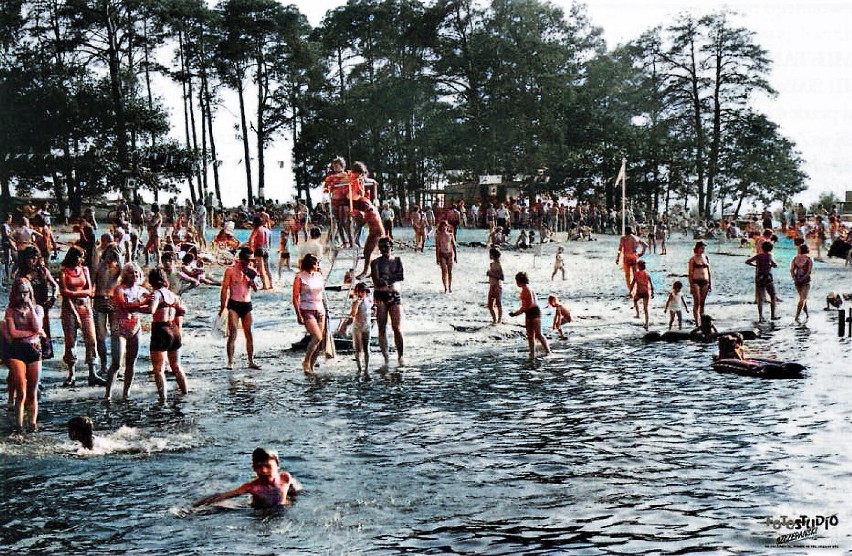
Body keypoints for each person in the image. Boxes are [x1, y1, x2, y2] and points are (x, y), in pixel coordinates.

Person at [193, 447, 302, 509]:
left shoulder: (285, 478)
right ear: (253, 468)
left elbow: (296, 488)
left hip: (283, 508)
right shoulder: (252, 487)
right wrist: (196, 506)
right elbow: (224, 495)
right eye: (259, 467)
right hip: (262, 512)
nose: (264, 471)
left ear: (277, 466)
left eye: (268, 466)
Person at [59, 245, 106, 387]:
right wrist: (72, 295)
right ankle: (72, 373)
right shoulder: (64, 272)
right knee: (70, 341)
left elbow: (90, 291)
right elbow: (64, 293)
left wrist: (73, 293)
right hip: (69, 308)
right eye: (80, 256)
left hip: (85, 306)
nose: (82, 259)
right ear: (74, 257)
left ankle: (92, 373)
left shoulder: (84, 270)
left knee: (91, 339)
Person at [4, 278, 45, 432]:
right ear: (15, 293)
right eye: (20, 293)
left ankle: (32, 423)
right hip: (17, 350)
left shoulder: (38, 309)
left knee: (32, 390)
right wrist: (32, 332)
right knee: (21, 389)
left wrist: (30, 308)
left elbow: (38, 325)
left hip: (34, 349)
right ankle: (19, 424)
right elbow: (13, 333)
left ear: (30, 293)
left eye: (26, 292)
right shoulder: (10, 310)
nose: (22, 296)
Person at [104, 263, 150, 400]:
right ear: (125, 275)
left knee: (131, 363)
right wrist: (141, 303)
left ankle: (126, 393)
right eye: (131, 273)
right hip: (119, 327)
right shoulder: (119, 289)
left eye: (136, 273)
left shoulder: (142, 290)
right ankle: (108, 394)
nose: (134, 275)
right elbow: (124, 305)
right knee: (117, 363)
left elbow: (151, 305)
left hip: (135, 327)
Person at [148, 268, 187, 401]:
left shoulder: (156, 294)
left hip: (161, 329)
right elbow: (183, 310)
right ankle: (185, 393)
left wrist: (136, 306)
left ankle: (162, 400)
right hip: (174, 330)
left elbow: (151, 310)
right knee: (176, 366)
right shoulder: (173, 295)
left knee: (158, 370)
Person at [220, 247, 261, 370]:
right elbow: (224, 289)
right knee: (233, 333)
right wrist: (222, 307)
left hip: (247, 304)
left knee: (249, 334)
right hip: (234, 303)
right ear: (241, 259)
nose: (249, 262)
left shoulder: (252, 271)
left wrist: (252, 280)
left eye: (251, 260)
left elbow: (257, 288)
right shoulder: (230, 271)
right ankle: (230, 362)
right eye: (247, 260)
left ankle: (251, 360)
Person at [370, 237, 405, 370]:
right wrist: (388, 279)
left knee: (397, 327)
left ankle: (400, 356)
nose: (384, 249)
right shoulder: (375, 263)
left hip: (394, 294)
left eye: (387, 247)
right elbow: (376, 281)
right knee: (382, 327)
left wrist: (387, 278)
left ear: (391, 247)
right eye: (382, 247)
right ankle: (386, 357)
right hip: (380, 295)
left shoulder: (396, 260)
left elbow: (400, 276)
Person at [292, 253, 326, 374]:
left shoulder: (319, 275)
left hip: (320, 309)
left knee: (319, 340)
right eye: (316, 263)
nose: (318, 265)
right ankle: (306, 361)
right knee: (317, 337)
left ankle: (311, 366)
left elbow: (322, 294)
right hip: (307, 309)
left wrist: (326, 309)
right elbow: (295, 297)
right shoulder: (300, 277)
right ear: (311, 264)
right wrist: (298, 314)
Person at [92, 243, 122, 379]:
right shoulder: (99, 265)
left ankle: (117, 365)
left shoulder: (119, 268)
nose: (111, 255)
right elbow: (92, 279)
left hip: (113, 301)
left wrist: (120, 254)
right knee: (101, 335)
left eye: (113, 253)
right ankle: (103, 365)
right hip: (99, 300)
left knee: (116, 334)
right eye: (109, 252)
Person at [509, 272, 550, 364]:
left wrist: (516, 313)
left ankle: (548, 351)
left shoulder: (527, 289)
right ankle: (532, 353)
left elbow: (529, 304)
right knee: (530, 335)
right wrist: (519, 312)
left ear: (519, 281)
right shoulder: (525, 289)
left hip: (534, 312)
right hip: (528, 312)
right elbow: (526, 305)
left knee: (538, 334)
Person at [351, 198, 385, 279]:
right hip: (373, 233)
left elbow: (361, 224)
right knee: (366, 252)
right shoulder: (370, 209)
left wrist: (354, 216)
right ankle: (374, 271)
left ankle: (365, 272)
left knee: (368, 253)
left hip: (377, 234)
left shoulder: (371, 212)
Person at [323, 156, 353, 248]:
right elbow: (326, 186)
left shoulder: (345, 174)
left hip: (343, 200)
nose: (335, 168)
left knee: (345, 222)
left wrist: (334, 181)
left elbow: (346, 179)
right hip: (334, 200)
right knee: (337, 222)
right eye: (334, 166)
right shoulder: (332, 177)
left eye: (337, 166)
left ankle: (351, 241)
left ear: (341, 166)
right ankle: (344, 241)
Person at [746, 240, 779, 322]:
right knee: (773, 296)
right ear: (771, 248)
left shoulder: (759, 256)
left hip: (759, 277)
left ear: (762, 248)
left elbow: (747, 261)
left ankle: (761, 316)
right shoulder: (769, 255)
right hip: (768, 277)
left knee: (760, 298)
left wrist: (756, 266)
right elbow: (774, 264)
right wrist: (771, 265)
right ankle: (773, 315)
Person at [349, 282, 373, 375]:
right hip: (357, 327)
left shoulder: (369, 300)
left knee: (367, 348)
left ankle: (366, 368)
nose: (361, 293)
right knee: (358, 349)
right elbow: (353, 314)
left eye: (363, 291)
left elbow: (372, 310)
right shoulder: (355, 302)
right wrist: (357, 304)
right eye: (359, 292)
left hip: (366, 326)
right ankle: (359, 368)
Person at [615, 226, 648, 295]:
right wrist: (641, 253)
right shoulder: (635, 238)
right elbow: (645, 245)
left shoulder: (623, 239)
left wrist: (617, 258)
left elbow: (620, 249)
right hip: (634, 257)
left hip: (626, 257)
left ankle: (630, 290)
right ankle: (637, 289)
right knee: (635, 275)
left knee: (627, 275)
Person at [687, 241, 711, 326]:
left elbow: (708, 271)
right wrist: (691, 285)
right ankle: (697, 322)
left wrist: (710, 283)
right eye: (702, 248)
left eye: (704, 248)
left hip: (705, 281)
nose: (703, 250)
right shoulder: (692, 259)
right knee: (697, 302)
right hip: (696, 281)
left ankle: (702, 321)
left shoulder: (706, 257)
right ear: (697, 248)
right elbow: (690, 273)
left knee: (702, 303)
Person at [247, 216, 272, 290]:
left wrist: (251, 249)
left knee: (261, 269)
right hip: (266, 250)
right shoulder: (266, 230)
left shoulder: (257, 229)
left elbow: (251, 239)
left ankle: (264, 285)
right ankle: (271, 284)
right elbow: (269, 241)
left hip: (259, 250)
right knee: (267, 269)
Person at [790, 243, 813, 323]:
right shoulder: (809, 259)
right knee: (803, 298)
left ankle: (806, 314)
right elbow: (809, 271)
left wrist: (794, 278)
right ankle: (797, 316)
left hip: (797, 280)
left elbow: (792, 270)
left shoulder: (795, 259)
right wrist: (803, 278)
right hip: (805, 280)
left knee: (802, 298)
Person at [630, 260, 654, 330]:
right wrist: (652, 293)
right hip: (646, 293)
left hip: (639, 292)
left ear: (639, 266)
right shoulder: (647, 275)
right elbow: (651, 285)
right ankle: (646, 324)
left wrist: (630, 292)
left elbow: (632, 284)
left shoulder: (636, 274)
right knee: (645, 309)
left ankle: (637, 314)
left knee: (635, 300)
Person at [435, 220, 457, 293]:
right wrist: (437, 258)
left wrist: (456, 256)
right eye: (442, 226)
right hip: (442, 254)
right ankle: (445, 287)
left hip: (450, 253)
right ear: (440, 227)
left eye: (445, 226)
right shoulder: (438, 236)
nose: (444, 227)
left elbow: (454, 245)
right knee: (444, 271)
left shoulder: (450, 235)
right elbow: (437, 247)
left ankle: (450, 286)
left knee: (450, 272)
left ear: (447, 227)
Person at [486, 247, 504, 325]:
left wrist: (491, 274)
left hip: (497, 286)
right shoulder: (492, 264)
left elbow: (502, 277)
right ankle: (494, 319)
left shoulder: (499, 265)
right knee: (490, 304)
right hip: (492, 285)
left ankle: (499, 320)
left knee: (498, 303)